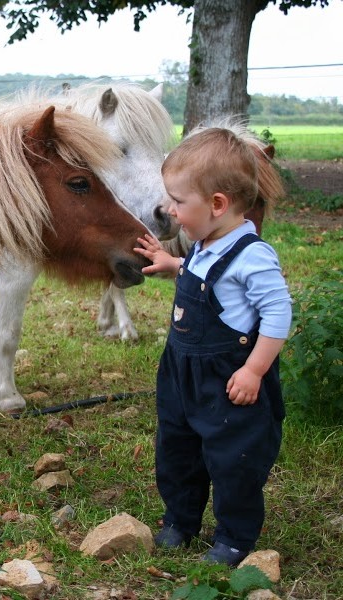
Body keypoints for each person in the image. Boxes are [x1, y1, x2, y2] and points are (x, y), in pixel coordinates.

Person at [135, 125, 292, 566]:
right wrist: (173, 264)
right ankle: (180, 520)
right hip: (182, 373)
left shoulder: (252, 255)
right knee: (177, 449)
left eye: (178, 201)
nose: (170, 209)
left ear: (217, 205)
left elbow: (278, 312)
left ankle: (234, 538)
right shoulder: (206, 243)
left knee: (232, 459)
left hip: (228, 379)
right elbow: (202, 275)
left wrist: (255, 369)